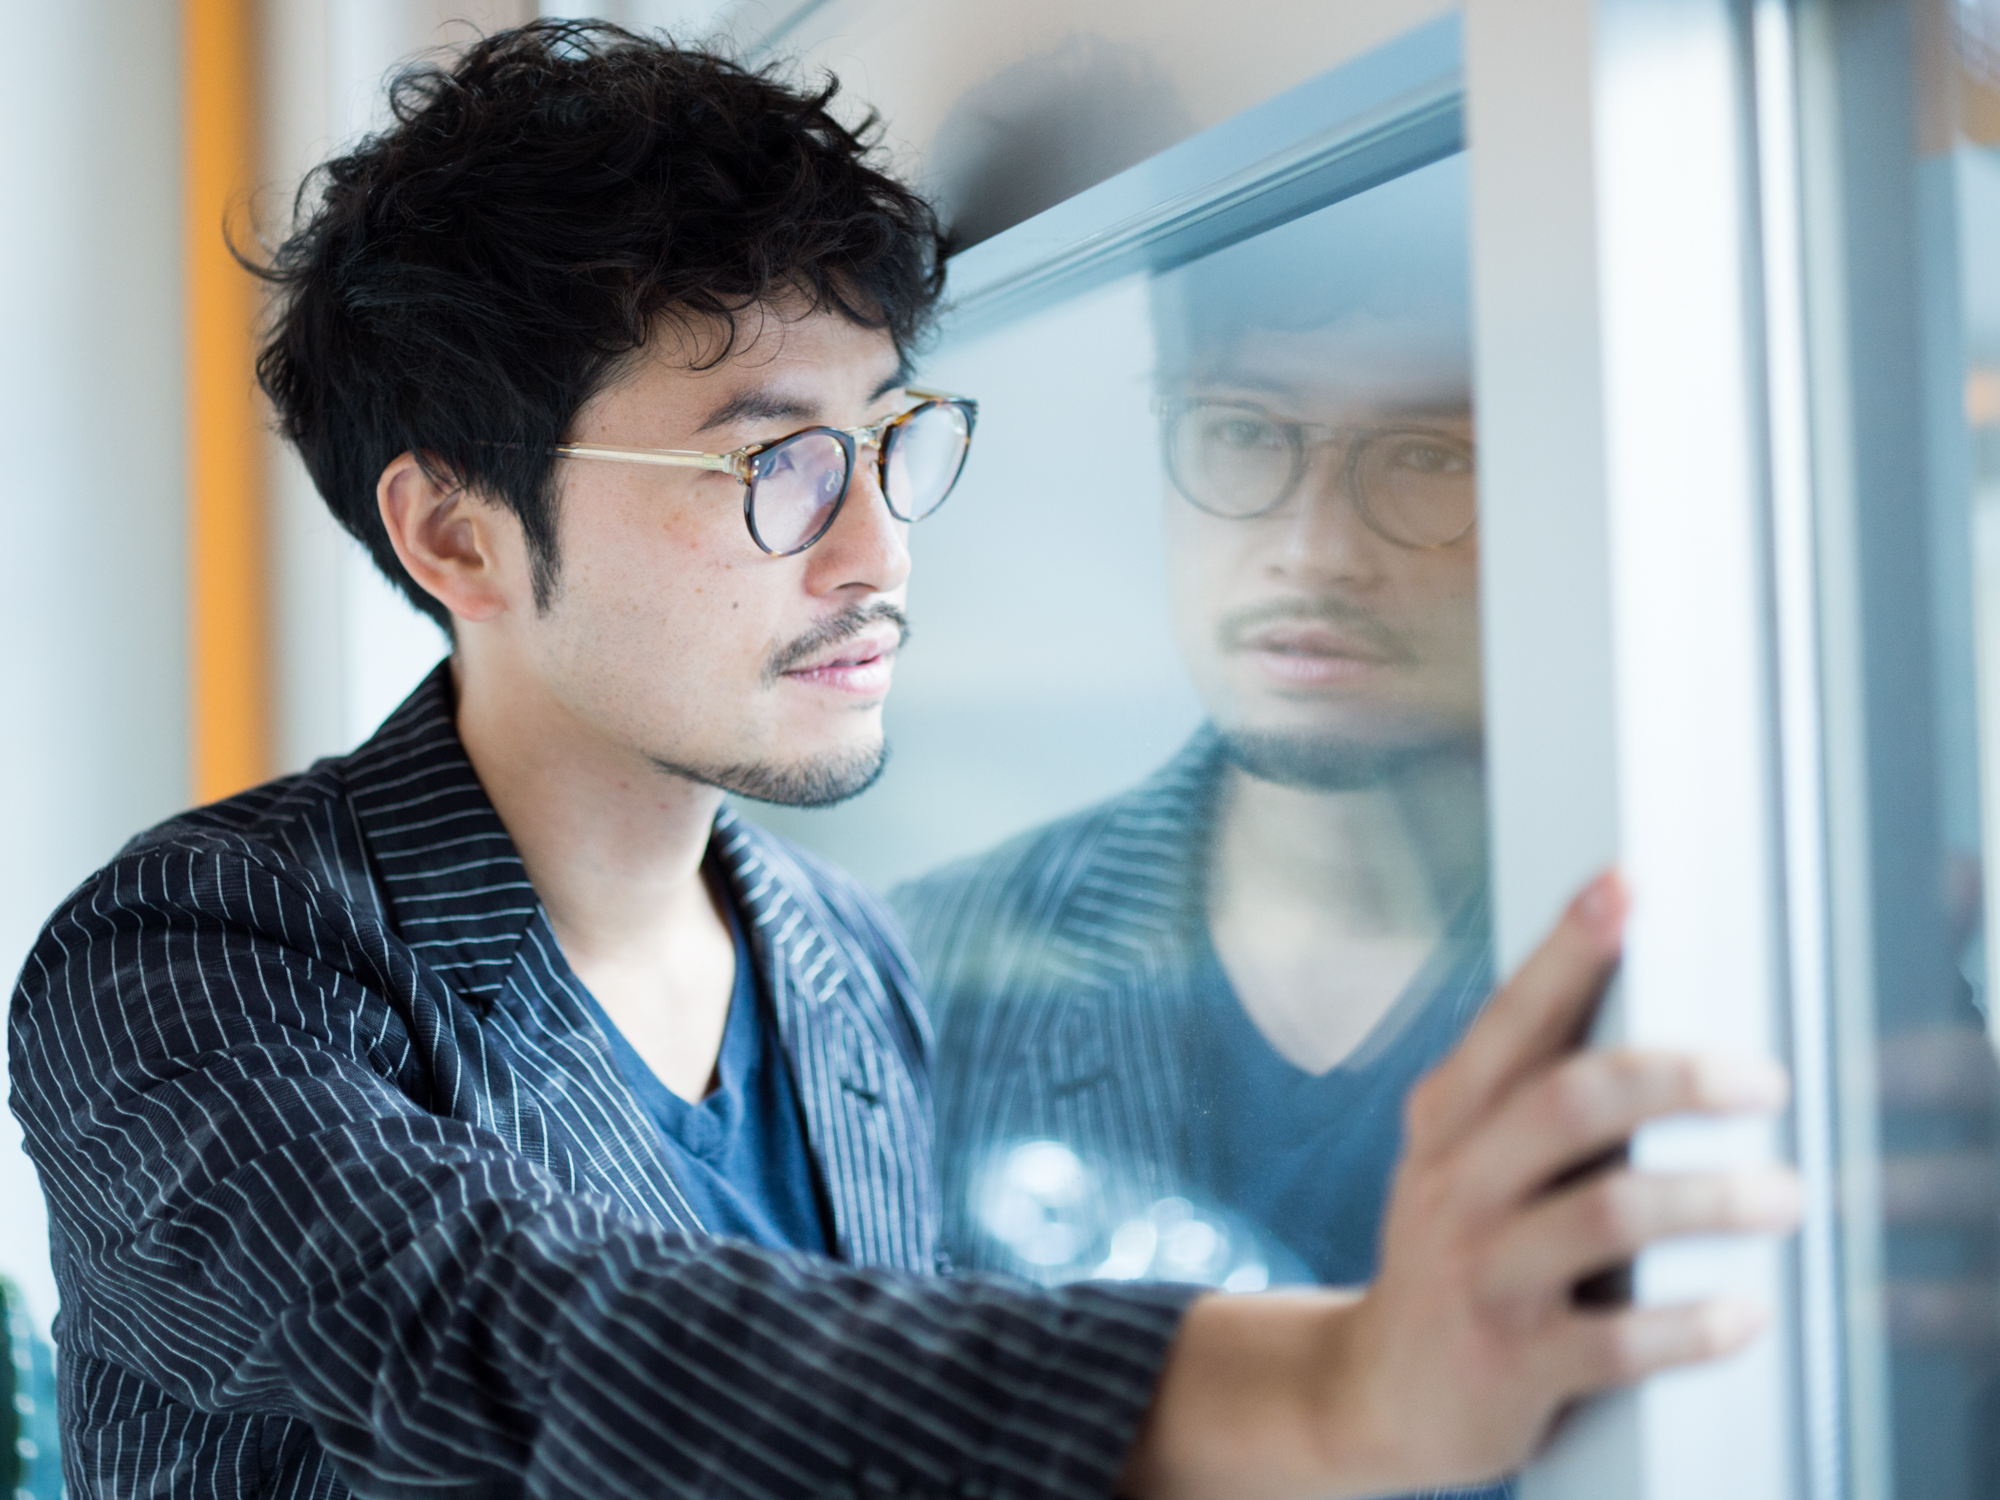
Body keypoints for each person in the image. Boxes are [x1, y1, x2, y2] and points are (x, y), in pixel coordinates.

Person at [7, 22, 1800, 1500]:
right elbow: (523, 1343)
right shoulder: (189, 961)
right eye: (772, 462)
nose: (878, 551)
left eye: (890, 442)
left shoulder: (845, 958)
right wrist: (1334, 1386)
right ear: (460, 540)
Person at [895, 172, 1493, 1298]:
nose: (1312, 550)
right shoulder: (917, 973)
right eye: (1242, 433)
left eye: (1425, 454)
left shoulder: (1727, 967)